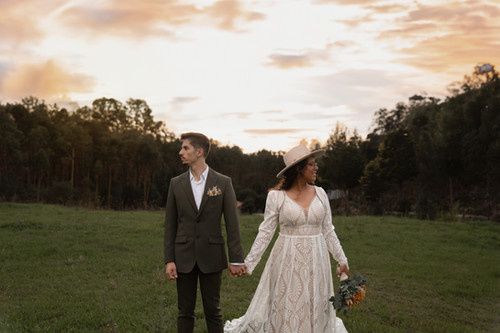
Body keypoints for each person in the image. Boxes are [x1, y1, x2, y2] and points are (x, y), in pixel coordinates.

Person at [224, 144, 350, 333]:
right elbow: (265, 232)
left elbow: (328, 230)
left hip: (317, 257)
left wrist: (342, 259)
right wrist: (248, 264)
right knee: (287, 301)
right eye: (311, 165)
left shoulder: (321, 194)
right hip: (286, 259)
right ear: (299, 169)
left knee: (314, 299)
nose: (316, 168)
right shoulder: (276, 197)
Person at [164, 132, 247, 333]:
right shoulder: (176, 184)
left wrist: (236, 259)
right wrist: (169, 260)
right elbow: (170, 225)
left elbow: (232, 223)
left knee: (213, 311)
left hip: (212, 255)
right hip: (183, 256)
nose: (180, 152)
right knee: (185, 311)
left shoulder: (223, 182)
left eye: (186, 148)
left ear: (199, 152)